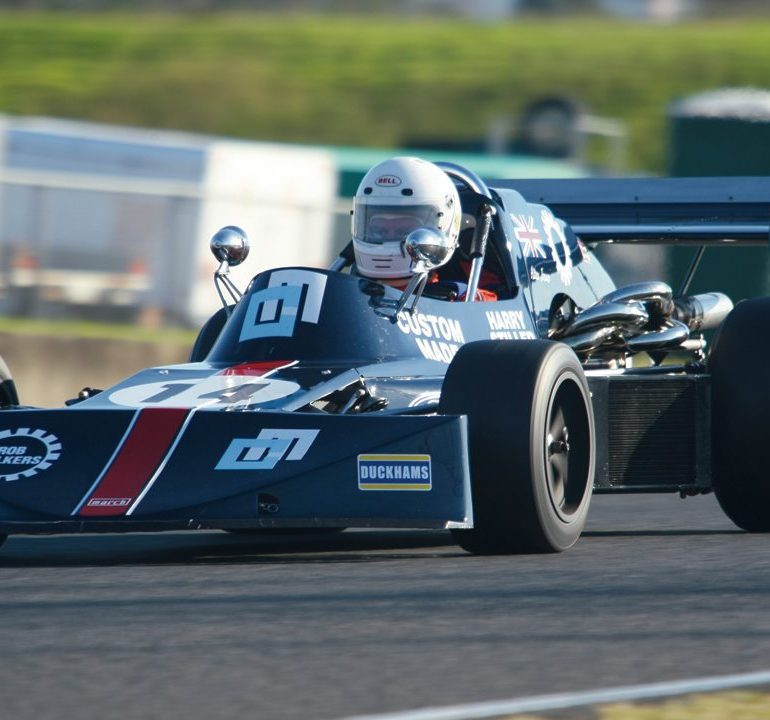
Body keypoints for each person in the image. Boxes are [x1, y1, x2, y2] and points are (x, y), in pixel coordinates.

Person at [351, 156, 500, 300]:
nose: (389, 238)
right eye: (379, 231)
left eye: (404, 232)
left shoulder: (460, 297)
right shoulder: (345, 296)